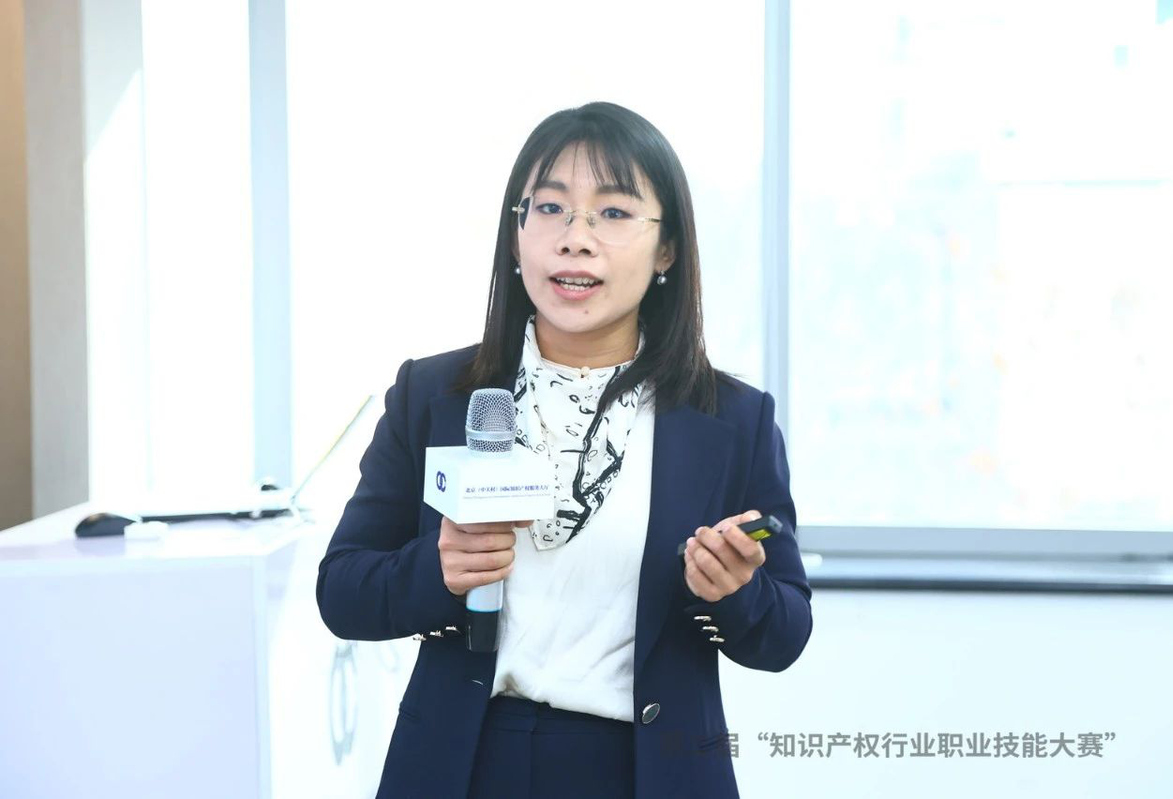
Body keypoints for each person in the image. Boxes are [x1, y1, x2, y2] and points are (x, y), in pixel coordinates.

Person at [315, 101, 814, 799]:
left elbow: (785, 633)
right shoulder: (435, 393)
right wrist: (435, 568)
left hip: (646, 770)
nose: (576, 239)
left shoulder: (729, 418)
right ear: (516, 235)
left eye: (613, 213)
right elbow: (342, 590)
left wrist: (735, 592)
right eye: (549, 208)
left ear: (666, 250)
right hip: (462, 763)